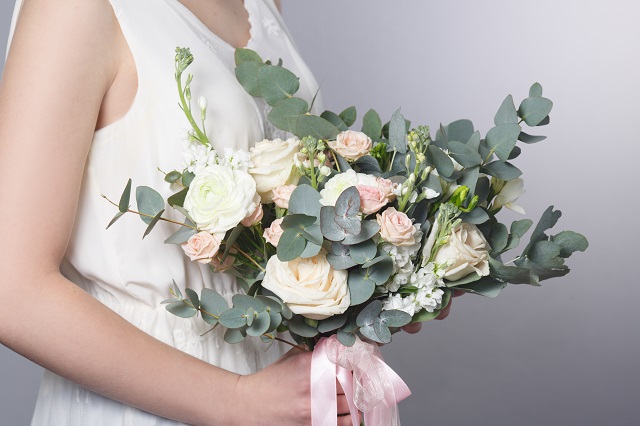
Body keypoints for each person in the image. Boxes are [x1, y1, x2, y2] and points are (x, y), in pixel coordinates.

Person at [0, 1, 449, 424]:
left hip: (287, 399)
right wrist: (236, 401)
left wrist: (389, 281)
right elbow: (12, 292)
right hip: (150, 407)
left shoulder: (262, 4)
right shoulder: (72, 9)